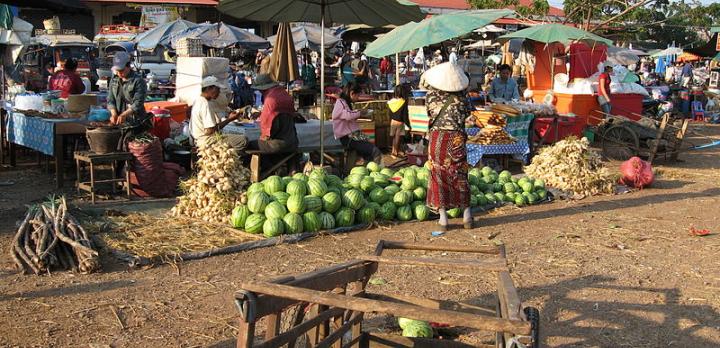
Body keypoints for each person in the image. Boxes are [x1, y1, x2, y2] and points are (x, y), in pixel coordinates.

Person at [420, 62, 472, 231]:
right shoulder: (463, 98)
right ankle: (467, 216)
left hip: (437, 138)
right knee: (460, 173)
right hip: (456, 138)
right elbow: (467, 115)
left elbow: (430, 114)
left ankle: (443, 220)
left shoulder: (430, 97)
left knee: (438, 175)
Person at [190, 76, 247, 151]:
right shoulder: (205, 104)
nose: (219, 92)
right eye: (218, 89)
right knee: (243, 140)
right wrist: (229, 120)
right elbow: (210, 130)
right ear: (209, 88)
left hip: (200, 139)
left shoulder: (199, 100)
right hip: (207, 141)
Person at [332, 82, 382, 164]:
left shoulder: (344, 102)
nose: (358, 98)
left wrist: (359, 112)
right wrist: (360, 112)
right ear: (352, 93)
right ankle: (374, 169)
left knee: (368, 153)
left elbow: (348, 114)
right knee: (375, 151)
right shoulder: (341, 102)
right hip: (348, 138)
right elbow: (348, 115)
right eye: (358, 95)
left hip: (351, 136)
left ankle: (368, 170)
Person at [108, 52, 151, 143]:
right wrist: (114, 114)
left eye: (122, 70)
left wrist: (124, 114)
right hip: (119, 122)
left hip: (136, 122)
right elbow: (110, 99)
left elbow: (138, 103)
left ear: (129, 66)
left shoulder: (138, 81)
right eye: (117, 71)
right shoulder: (114, 79)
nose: (119, 73)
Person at [250, 73, 298, 154]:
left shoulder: (270, 100)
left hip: (278, 145)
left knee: (248, 144)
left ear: (262, 89)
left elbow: (267, 130)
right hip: (293, 142)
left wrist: (263, 137)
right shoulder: (284, 94)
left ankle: (265, 166)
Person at [388, 83, 411, 158]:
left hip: (392, 121)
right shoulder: (403, 102)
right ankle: (395, 153)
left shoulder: (391, 102)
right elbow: (405, 114)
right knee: (397, 138)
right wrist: (408, 124)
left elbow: (389, 113)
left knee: (394, 137)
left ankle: (393, 152)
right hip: (400, 122)